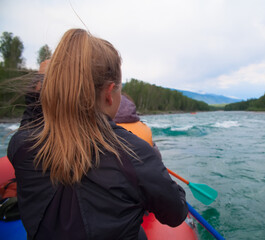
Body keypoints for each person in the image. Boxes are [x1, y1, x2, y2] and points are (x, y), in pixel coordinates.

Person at [7, 28, 187, 240]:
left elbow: (31, 118)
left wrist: (40, 82)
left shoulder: (21, 145)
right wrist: (155, 162)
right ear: (109, 93)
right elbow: (176, 213)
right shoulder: (135, 153)